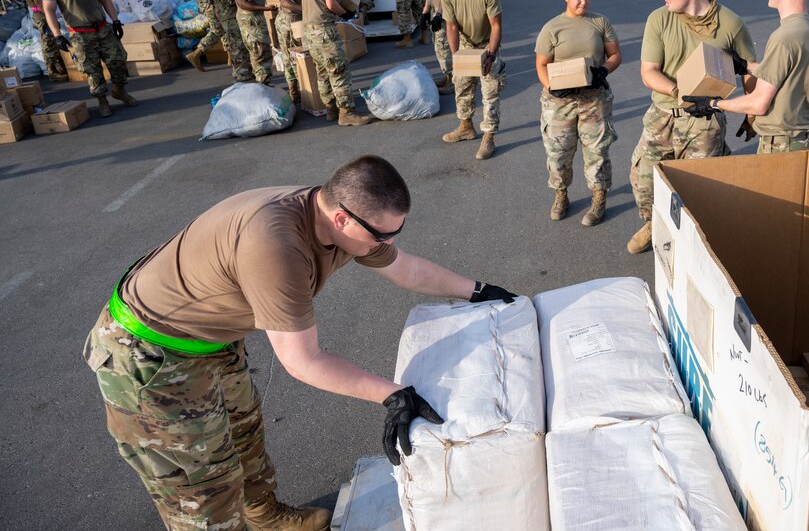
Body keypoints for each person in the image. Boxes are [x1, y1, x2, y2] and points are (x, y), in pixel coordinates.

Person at [83, 154, 518, 531]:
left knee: (243, 435)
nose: (387, 244)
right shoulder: (276, 246)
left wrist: (478, 291)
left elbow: (407, 270)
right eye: (382, 235)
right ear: (343, 217)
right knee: (201, 485)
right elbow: (302, 360)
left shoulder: (338, 216)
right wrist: (393, 395)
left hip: (212, 339)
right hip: (152, 354)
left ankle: (267, 518)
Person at [626, 0, 755, 254]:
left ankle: (690, 247)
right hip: (662, 114)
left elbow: (750, 69)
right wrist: (679, 93)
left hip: (706, 121)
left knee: (697, 188)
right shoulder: (659, 19)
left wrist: (751, 114)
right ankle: (655, 222)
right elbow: (649, 72)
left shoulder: (730, 24)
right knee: (642, 181)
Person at [683, 0, 809, 155]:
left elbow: (758, 104)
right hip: (801, 140)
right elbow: (788, 73)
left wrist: (714, 103)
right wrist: (746, 66)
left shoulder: (783, 38)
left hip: (780, 145)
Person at [535, 0, 621, 226]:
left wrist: (604, 70)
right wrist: (551, 86)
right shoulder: (552, 28)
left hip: (594, 100)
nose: (584, 2)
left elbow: (615, 54)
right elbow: (541, 65)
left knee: (597, 152)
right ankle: (561, 195)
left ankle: (598, 199)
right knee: (558, 153)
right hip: (559, 103)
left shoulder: (600, 22)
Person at [41, 0, 138, 117]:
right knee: (92, 70)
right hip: (80, 33)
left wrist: (115, 21)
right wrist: (57, 35)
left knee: (118, 60)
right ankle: (103, 101)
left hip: (102, 27)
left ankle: (119, 90)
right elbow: (48, 11)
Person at [300, 0, 372, 126]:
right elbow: (331, 4)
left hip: (309, 30)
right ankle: (346, 112)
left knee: (323, 71)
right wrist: (346, 12)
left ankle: (331, 109)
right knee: (339, 71)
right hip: (324, 30)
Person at [440, 0, 504, 160]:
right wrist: (456, 54)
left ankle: (489, 136)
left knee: (490, 93)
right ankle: (466, 127)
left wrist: (491, 55)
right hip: (466, 45)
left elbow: (496, 26)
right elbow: (450, 26)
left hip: (487, 45)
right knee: (462, 87)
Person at [18, 0, 67, 81]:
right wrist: (50, 15)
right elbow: (38, 1)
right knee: (48, 41)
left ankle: (58, 67)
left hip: (37, 12)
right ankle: (52, 71)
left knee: (49, 40)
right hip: (40, 14)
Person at [418, 0, 453, 94]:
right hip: (434, 12)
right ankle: (446, 76)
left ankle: (452, 80)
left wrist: (439, 14)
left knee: (444, 47)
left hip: (443, 14)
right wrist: (425, 12)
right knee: (438, 47)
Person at [274, 0, 306, 104]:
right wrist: (305, 10)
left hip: (292, 22)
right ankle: (295, 94)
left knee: (293, 58)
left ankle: (298, 92)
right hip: (288, 23)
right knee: (291, 59)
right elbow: (285, 1)